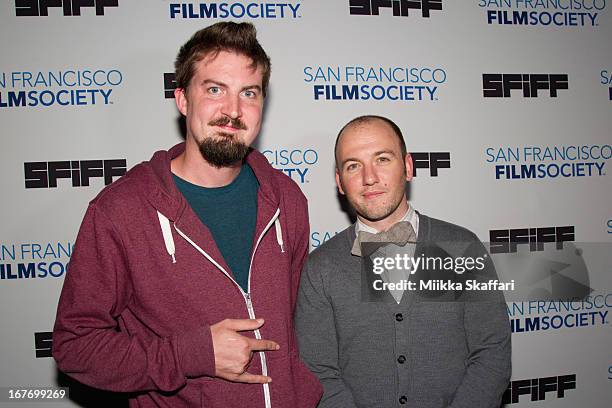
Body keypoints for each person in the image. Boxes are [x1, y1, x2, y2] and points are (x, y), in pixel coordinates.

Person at [53, 22, 322, 408]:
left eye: (249, 93)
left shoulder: (287, 199)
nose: (232, 111)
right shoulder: (121, 211)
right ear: (182, 100)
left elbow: (300, 327)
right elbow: (76, 345)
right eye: (215, 90)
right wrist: (188, 355)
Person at [295, 115, 511, 408]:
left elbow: (491, 351)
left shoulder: (461, 246)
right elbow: (318, 371)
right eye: (353, 165)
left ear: (408, 167)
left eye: (382, 159)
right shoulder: (320, 268)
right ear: (340, 182)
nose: (369, 177)